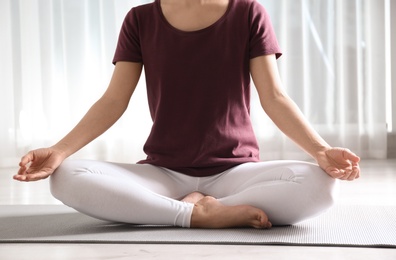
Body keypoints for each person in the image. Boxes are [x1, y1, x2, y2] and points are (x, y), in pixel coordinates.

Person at [13, 0, 360, 229]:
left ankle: (193, 208)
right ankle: (198, 214)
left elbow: (274, 96)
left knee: (320, 186)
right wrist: (59, 151)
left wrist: (319, 151)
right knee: (67, 176)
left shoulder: (248, 12)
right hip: (163, 174)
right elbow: (113, 100)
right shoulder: (140, 19)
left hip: (236, 172)